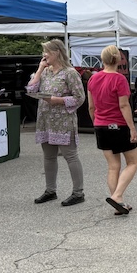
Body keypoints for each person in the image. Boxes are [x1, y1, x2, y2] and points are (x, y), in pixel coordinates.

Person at [27, 39, 86, 206]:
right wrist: (39, 69)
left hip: (63, 121)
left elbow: (80, 98)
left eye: (47, 52)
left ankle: (78, 192)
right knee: (49, 156)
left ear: (58, 52)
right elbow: (31, 90)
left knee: (70, 156)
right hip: (46, 120)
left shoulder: (70, 73)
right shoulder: (45, 72)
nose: (44, 55)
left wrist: (58, 100)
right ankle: (50, 190)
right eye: (44, 52)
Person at [87, 45, 137, 215]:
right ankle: (117, 196)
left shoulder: (93, 79)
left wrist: (96, 123)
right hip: (119, 125)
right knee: (133, 162)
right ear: (118, 60)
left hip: (101, 125)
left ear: (102, 59)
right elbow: (124, 105)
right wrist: (132, 128)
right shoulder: (119, 79)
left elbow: (91, 107)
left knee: (113, 166)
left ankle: (118, 200)